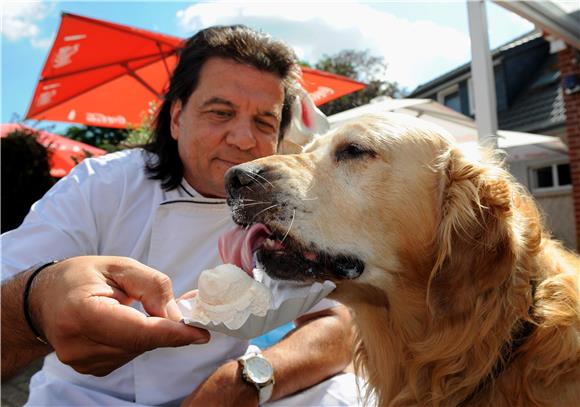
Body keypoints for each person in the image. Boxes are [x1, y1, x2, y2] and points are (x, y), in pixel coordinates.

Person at [1, 25, 357, 406]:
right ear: (176, 118)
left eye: (264, 123)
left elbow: (338, 324)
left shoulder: (284, 208)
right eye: (220, 113)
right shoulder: (102, 184)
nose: (243, 139)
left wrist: (245, 381)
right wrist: (38, 298)